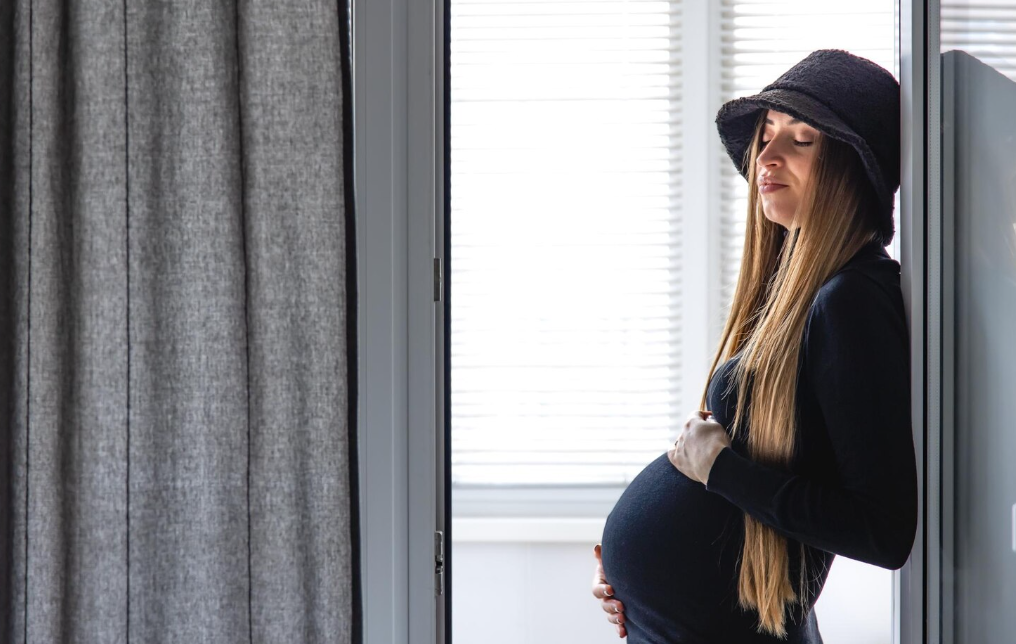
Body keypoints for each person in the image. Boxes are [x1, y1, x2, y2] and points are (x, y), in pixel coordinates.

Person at [590, 49, 918, 643]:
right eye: (767, 135)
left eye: (802, 139)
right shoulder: (805, 291)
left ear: (852, 167)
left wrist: (718, 470)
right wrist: (633, 578)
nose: (766, 156)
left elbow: (883, 529)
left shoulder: (852, 300)